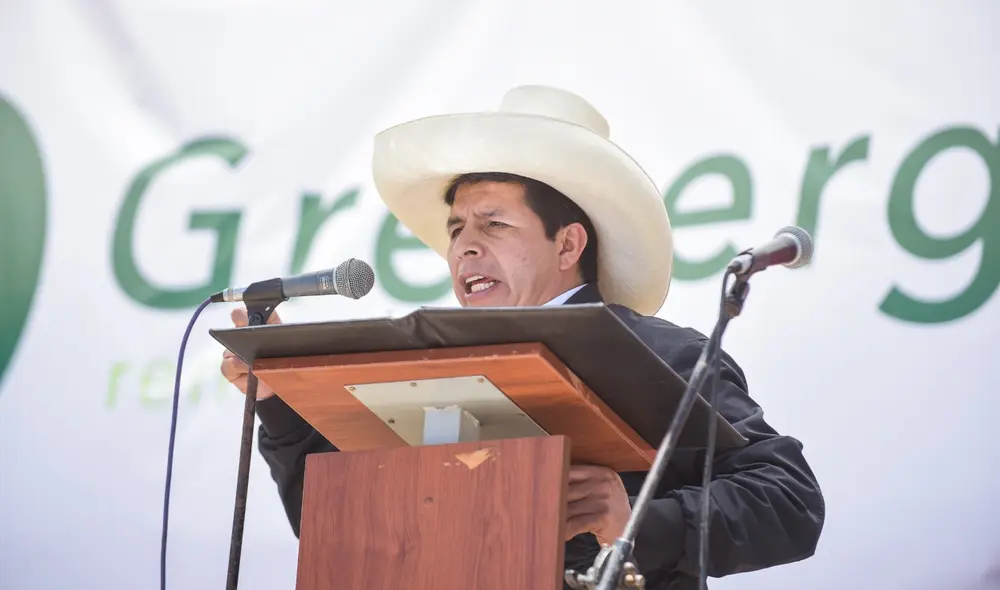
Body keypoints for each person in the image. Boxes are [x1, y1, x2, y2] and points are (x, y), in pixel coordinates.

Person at [220, 85, 825, 589]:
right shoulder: (426, 368)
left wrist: (638, 520)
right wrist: (279, 407)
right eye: (456, 228)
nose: (465, 245)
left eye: (494, 224)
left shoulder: (664, 354)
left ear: (568, 245)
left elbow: (790, 501)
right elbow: (341, 526)